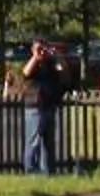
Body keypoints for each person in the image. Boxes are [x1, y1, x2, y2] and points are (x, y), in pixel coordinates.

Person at [20, 39, 71, 173]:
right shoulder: (32, 62)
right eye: (39, 49)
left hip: (49, 104)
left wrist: (57, 56)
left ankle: (48, 171)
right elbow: (25, 72)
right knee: (33, 141)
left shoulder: (51, 62)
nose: (42, 51)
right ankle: (30, 170)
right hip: (35, 106)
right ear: (33, 50)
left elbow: (63, 69)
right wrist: (36, 57)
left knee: (48, 143)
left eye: (44, 49)